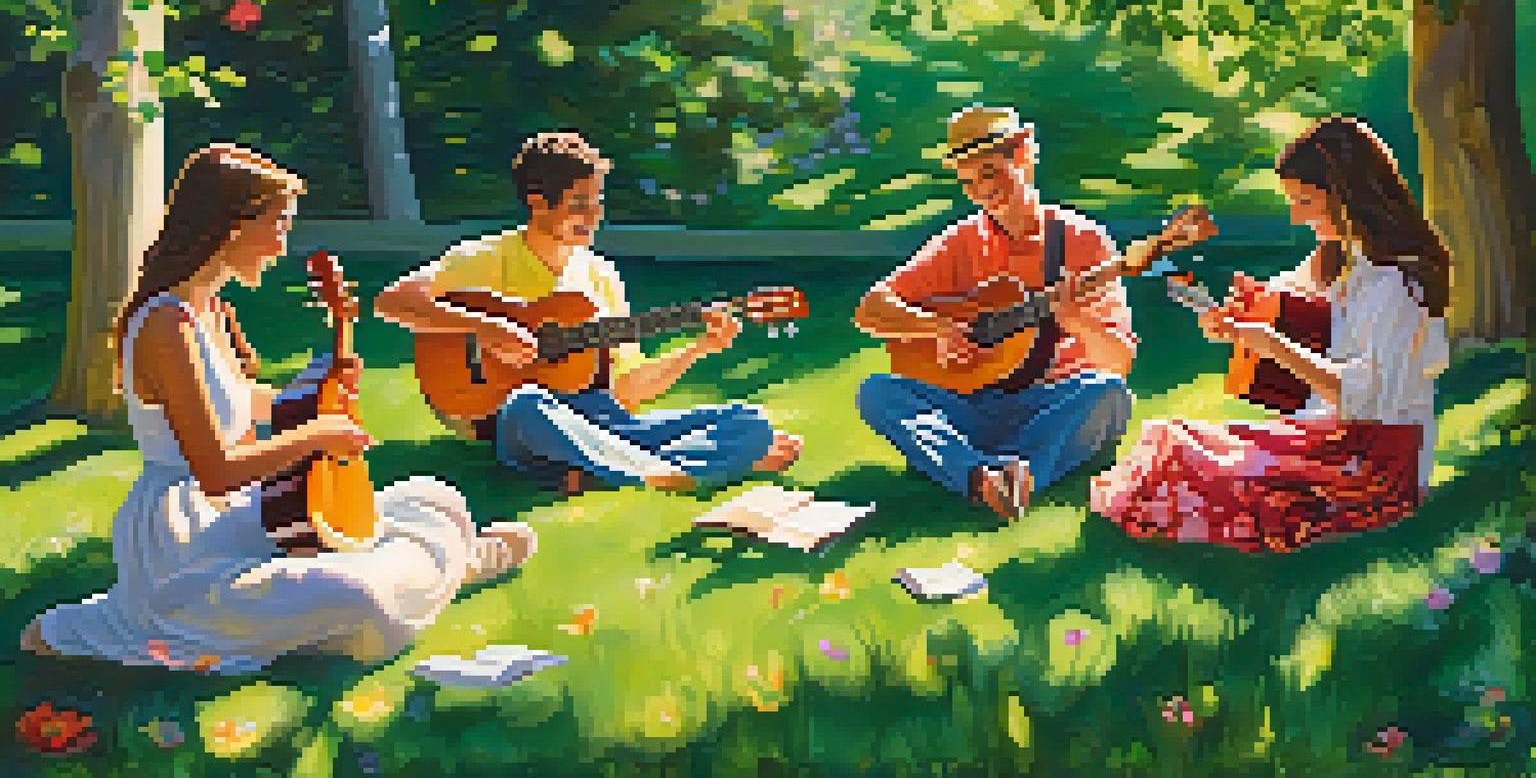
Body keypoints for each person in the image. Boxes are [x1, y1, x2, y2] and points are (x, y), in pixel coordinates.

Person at [19, 144, 536, 671]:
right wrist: (318, 436)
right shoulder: (166, 326)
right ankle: (449, 567)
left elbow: (241, 405)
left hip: (243, 512)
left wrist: (318, 391)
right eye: (279, 224)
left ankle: (432, 568)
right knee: (363, 601)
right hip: (188, 540)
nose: (282, 243)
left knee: (438, 497)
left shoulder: (211, 310)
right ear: (234, 225)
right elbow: (217, 471)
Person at [1091, 117, 1452, 553]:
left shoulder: (1396, 282)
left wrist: (1270, 342)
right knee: (1170, 439)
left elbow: (1369, 398)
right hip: (1330, 435)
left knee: (1194, 470)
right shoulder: (1341, 256)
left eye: (1305, 201)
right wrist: (1241, 313)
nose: (1297, 215)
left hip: (1374, 464)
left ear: (1346, 196)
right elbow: (1286, 295)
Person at [373, 132, 802, 495]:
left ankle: (605, 471)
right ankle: (676, 468)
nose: (593, 216)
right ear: (539, 203)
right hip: (508, 417)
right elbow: (392, 301)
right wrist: (487, 326)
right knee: (527, 405)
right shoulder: (481, 258)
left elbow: (627, 391)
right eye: (579, 204)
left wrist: (698, 349)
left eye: (596, 202)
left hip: (597, 417)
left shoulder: (599, 275)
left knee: (750, 419)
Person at [853, 106, 1137, 519]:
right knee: (878, 391)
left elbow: (1119, 361)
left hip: (1051, 405)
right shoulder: (959, 241)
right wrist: (938, 329)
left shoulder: (1084, 240)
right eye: (968, 181)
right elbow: (870, 309)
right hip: (969, 404)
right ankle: (987, 473)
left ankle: (989, 473)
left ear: (1023, 156)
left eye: (989, 172)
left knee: (1108, 395)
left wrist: (1075, 320)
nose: (980, 190)